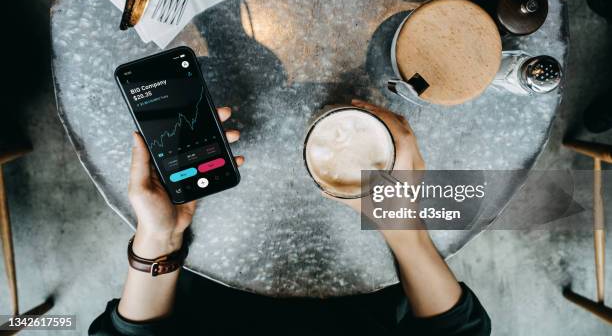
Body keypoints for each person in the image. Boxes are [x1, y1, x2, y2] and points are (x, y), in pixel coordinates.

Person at [89, 100, 491, 335]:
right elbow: (459, 330)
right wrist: (399, 223)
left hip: (199, 277)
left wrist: (160, 238)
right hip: (364, 290)